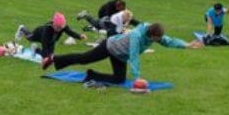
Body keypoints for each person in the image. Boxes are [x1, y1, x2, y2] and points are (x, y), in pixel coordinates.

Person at [50, 22, 200, 85]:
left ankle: (91, 75)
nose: (158, 41)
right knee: (84, 59)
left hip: (120, 55)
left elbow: (169, 41)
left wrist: (186, 45)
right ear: (151, 34)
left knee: (119, 79)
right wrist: (137, 77)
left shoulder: (155, 34)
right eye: (156, 39)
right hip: (110, 46)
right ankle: (56, 59)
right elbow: (133, 56)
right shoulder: (137, 35)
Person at [15, 12, 86, 67]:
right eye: (58, 27)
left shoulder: (63, 26)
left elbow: (70, 32)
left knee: (51, 57)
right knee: (29, 38)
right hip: (39, 34)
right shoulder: (47, 29)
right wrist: (45, 57)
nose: (59, 29)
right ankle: (22, 29)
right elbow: (44, 43)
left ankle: (35, 49)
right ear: (54, 24)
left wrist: (79, 36)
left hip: (52, 40)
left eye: (61, 28)